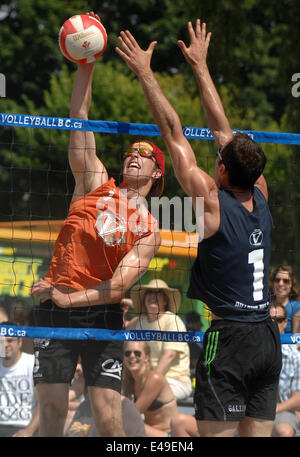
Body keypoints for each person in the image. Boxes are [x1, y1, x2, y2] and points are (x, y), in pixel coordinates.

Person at [116, 19, 282, 437]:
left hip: (229, 338)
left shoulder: (212, 201)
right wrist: (201, 66)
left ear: (223, 170)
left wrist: (145, 73)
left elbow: (173, 133)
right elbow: (222, 129)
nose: (215, 158)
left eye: (219, 160)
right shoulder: (260, 190)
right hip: (267, 337)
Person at [30, 11, 164, 437]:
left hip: (100, 314)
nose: (134, 154)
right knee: (51, 415)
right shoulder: (95, 181)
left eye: (144, 153)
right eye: (131, 150)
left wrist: (68, 300)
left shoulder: (149, 227)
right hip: (54, 306)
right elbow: (78, 118)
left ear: (158, 173)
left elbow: (121, 288)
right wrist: (85, 64)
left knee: (108, 419)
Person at [130, 279, 192, 400]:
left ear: (165, 300)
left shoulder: (172, 320)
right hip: (145, 380)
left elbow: (169, 355)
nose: (153, 295)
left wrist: (149, 385)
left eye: (158, 292)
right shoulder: (141, 322)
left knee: (147, 401)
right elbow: (123, 333)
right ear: (144, 299)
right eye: (149, 292)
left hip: (175, 380)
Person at [122, 340, 178, 436]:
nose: (132, 356)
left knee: (126, 424)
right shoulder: (129, 380)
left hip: (168, 434)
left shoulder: (155, 379)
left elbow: (133, 412)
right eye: (127, 353)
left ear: (147, 357)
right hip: (149, 430)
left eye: (137, 353)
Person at [0, 322, 39, 437]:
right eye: (1, 341)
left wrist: (29, 431)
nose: (5, 345)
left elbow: (45, 403)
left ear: (20, 342)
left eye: (10, 340)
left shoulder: (32, 363)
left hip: (25, 426)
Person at [270, 304, 300, 437]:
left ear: (285, 322)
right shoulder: (250, 352)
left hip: (281, 411)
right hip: (251, 410)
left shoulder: (295, 357)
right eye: (270, 320)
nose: (274, 323)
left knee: (285, 431)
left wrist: (273, 409)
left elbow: (297, 399)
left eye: (279, 319)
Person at [269, 264, 300, 334]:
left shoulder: (298, 307)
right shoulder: (265, 306)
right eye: (277, 280)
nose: (281, 284)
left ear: (292, 284)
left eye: (286, 281)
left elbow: (296, 340)